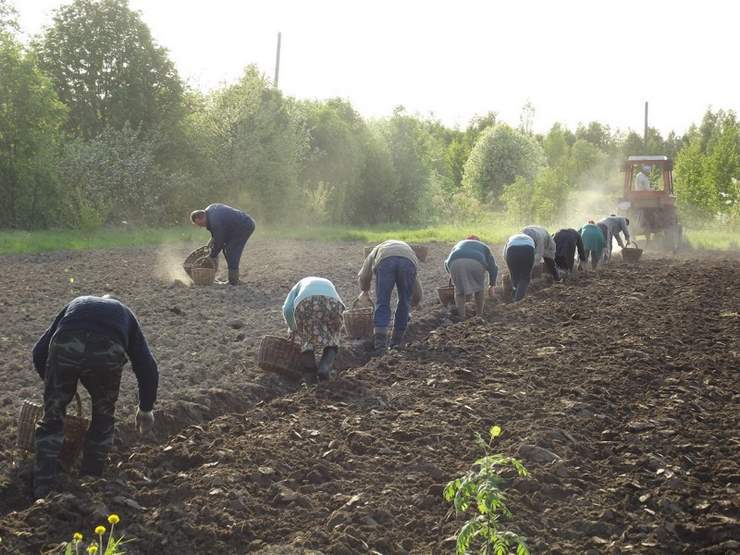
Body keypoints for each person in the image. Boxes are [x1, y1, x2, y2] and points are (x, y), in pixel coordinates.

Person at [31, 295, 158, 499]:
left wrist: (55, 387)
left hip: (65, 343)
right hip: (106, 351)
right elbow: (147, 366)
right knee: (103, 418)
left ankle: (43, 487)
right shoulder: (125, 314)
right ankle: (90, 482)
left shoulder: (76, 304)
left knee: (52, 419)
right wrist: (145, 408)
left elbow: (38, 352)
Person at [358, 240, 422, 354]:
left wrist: (364, 290)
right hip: (408, 262)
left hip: (386, 261)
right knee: (404, 301)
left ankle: (380, 346)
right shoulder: (407, 251)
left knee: (382, 301)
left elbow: (364, 274)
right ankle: (396, 343)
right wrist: (414, 302)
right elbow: (415, 285)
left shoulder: (375, 250)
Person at [283, 277, 345, 381]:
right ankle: (324, 369)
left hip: (306, 302)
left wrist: (293, 328)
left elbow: (288, 309)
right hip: (333, 302)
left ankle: (310, 374)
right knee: (332, 337)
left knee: (306, 338)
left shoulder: (297, 288)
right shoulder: (326, 282)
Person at [190, 203, 256, 285]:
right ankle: (233, 279)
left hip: (244, 226)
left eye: (199, 224)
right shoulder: (210, 211)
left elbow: (219, 242)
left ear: (201, 218)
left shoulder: (214, 221)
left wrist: (211, 256)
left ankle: (233, 281)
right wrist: (209, 247)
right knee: (227, 249)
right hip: (236, 226)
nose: (201, 226)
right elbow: (216, 235)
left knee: (231, 250)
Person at [444, 235, 497, 320]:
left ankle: (462, 317)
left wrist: (453, 276)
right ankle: (479, 315)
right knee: (479, 289)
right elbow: (493, 268)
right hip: (476, 262)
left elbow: (447, 262)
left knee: (459, 292)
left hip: (454, 263)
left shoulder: (459, 244)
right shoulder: (484, 246)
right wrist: (492, 285)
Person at [503, 233, 536, 302]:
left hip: (512, 250)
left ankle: (516, 291)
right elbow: (534, 253)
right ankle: (518, 300)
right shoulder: (530, 239)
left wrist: (509, 264)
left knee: (514, 275)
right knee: (525, 276)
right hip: (528, 249)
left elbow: (504, 253)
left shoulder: (512, 237)